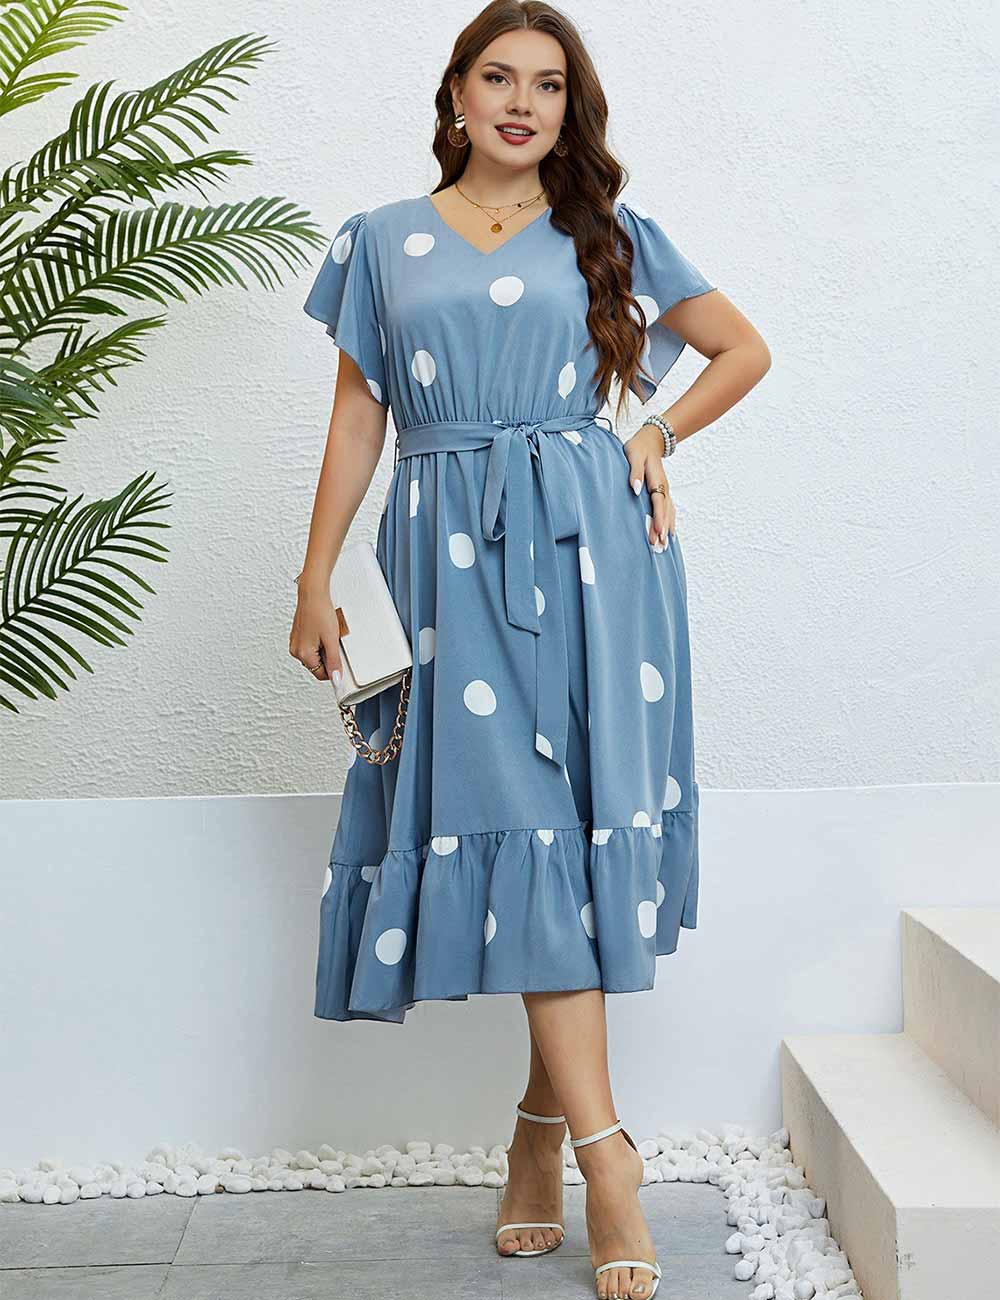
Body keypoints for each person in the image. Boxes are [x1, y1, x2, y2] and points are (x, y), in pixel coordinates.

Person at [290, 4, 770, 1297]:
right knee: (519, 815)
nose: (521, 102)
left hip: (593, 554)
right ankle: (605, 1158)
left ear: (571, 107)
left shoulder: (608, 233)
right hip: (442, 559)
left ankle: (551, 1137)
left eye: (548, 84)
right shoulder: (381, 240)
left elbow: (742, 350)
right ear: (455, 94)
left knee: (562, 825)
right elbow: (358, 416)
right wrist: (316, 573)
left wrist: (653, 435)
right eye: (497, 77)